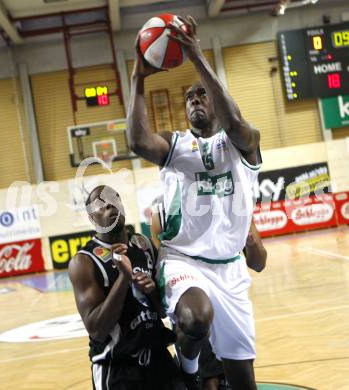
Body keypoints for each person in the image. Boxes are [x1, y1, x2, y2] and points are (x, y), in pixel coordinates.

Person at [127, 14, 262, 390]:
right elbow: (138, 142)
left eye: (203, 94)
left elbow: (235, 124)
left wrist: (197, 56)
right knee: (197, 316)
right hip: (183, 260)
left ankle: (194, 368)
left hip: (230, 270)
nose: (196, 100)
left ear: (218, 102)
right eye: (189, 97)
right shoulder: (176, 145)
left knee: (243, 381)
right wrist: (138, 77)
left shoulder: (243, 141)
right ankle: (187, 373)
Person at [68, 185, 186, 390]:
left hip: (158, 358)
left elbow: (161, 311)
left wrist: (151, 292)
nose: (110, 205)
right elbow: (97, 329)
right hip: (117, 368)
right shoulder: (84, 262)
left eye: (114, 198)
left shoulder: (144, 245)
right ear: (92, 218)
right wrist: (124, 279)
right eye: (100, 203)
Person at [150, 200, 267, 390]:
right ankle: (187, 369)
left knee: (237, 377)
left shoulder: (235, 202)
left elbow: (258, 264)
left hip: (226, 296)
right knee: (207, 381)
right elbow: (160, 258)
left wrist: (251, 245)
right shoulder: (162, 206)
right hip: (190, 292)